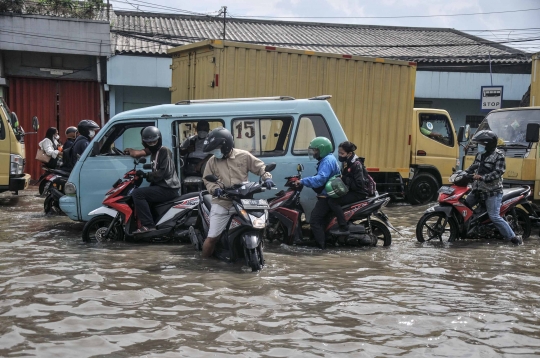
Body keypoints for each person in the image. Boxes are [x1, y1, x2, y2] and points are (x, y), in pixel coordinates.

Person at [201, 127, 275, 258]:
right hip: (222, 202)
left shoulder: (244, 156)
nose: (215, 152)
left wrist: (267, 177)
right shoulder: (212, 161)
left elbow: (261, 168)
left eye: (217, 148)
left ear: (226, 145)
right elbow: (207, 180)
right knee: (212, 238)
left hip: (244, 201)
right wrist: (214, 189)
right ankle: (204, 264)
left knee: (259, 226)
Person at [464, 130, 522, 245]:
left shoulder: (498, 156)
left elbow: (498, 172)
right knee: (464, 205)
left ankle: (514, 238)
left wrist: (482, 177)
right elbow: (474, 166)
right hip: (477, 190)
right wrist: (465, 172)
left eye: (481, 144)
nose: (479, 146)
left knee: (494, 216)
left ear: (488, 144)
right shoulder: (480, 154)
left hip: (492, 192)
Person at [129, 126, 181, 233]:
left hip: (168, 188)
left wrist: (146, 175)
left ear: (159, 139)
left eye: (154, 141)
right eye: (149, 143)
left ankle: (148, 225)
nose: (152, 144)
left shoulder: (164, 151)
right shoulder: (154, 153)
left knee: (137, 194)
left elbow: (163, 172)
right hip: (162, 186)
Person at [293, 137, 341, 249]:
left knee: (314, 220)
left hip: (327, 197)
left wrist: (303, 181)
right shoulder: (327, 159)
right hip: (327, 195)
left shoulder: (327, 161)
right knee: (322, 220)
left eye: (315, 150)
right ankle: (321, 240)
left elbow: (320, 179)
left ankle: (320, 246)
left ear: (322, 150)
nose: (314, 153)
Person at [327, 141, 370, 235]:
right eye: (339, 153)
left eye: (342, 153)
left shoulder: (356, 164)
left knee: (333, 202)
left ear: (349, 153)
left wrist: (344, 178)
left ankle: (343, 227)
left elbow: (359, 184)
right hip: (352, 191)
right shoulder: (348, 162)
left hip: (359, 193)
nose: (340, 155)